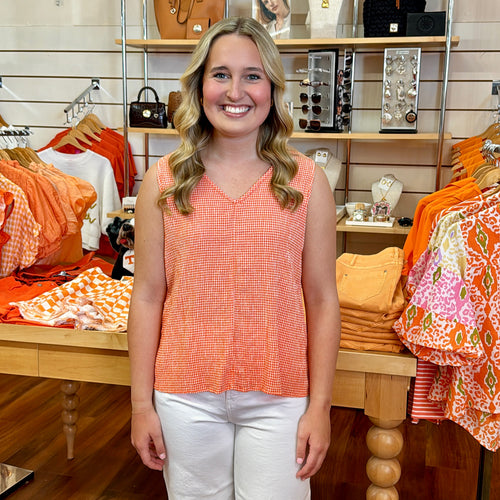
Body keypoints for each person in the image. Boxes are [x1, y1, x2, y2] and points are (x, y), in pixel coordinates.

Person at [128, 16, 341, 500]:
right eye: (221, 74)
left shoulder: (306, 183)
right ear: (199, 85)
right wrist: (142, 403)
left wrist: (321, 406)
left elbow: (323, 300)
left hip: (280, 394)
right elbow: (146, 297)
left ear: (272, 88)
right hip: (184, 395)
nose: (235, 91)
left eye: (253, 75)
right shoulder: (163, 182)